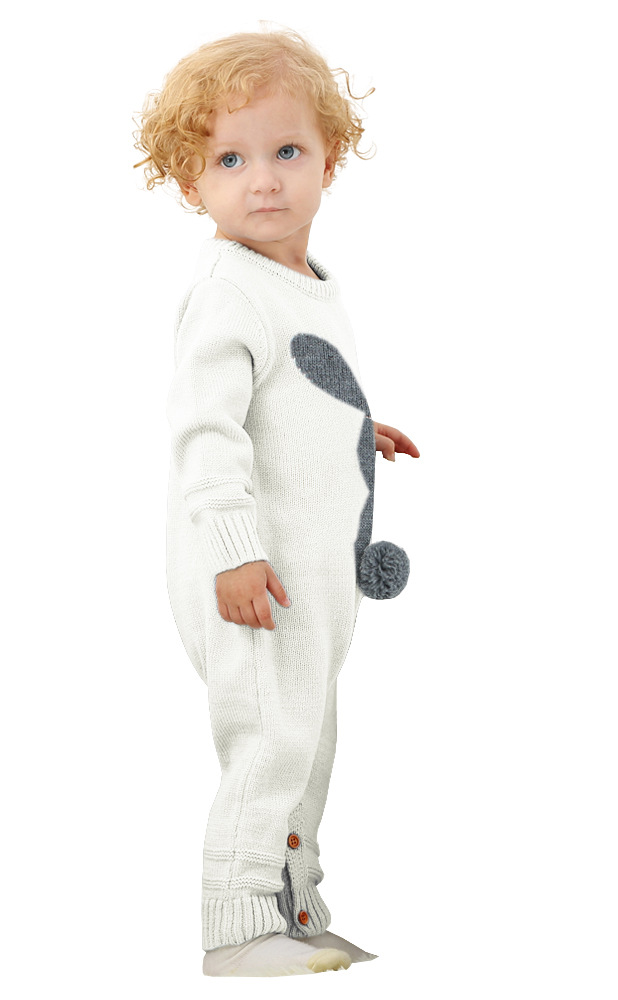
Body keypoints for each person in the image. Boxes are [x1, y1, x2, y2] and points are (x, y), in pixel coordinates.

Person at [135, 27, 420, 977]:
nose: (262, 180)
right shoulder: (229, 292)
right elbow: (205, 429)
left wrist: (356, 431)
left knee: (307, 739)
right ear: (190, 182)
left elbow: (282, 400)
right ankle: (236, 926)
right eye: (230, 160)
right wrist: (232, 550)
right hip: (253, 573)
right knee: (267, 739)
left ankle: (293, 910)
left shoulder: (301, 285)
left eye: (286, 151)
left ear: (329, 159)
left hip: (309, 576)